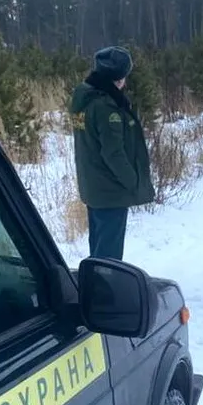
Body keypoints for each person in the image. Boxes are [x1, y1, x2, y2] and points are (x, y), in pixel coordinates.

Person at [68, 46, 155, 260]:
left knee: (99, 250)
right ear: (118, 79)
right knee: (109, 258)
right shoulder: (106, 107)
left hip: (94, 186)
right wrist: (133, 182)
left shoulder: (84, 98)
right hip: (110, 191)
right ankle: (105, 292)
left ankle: (95, 288)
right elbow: (113, 153)